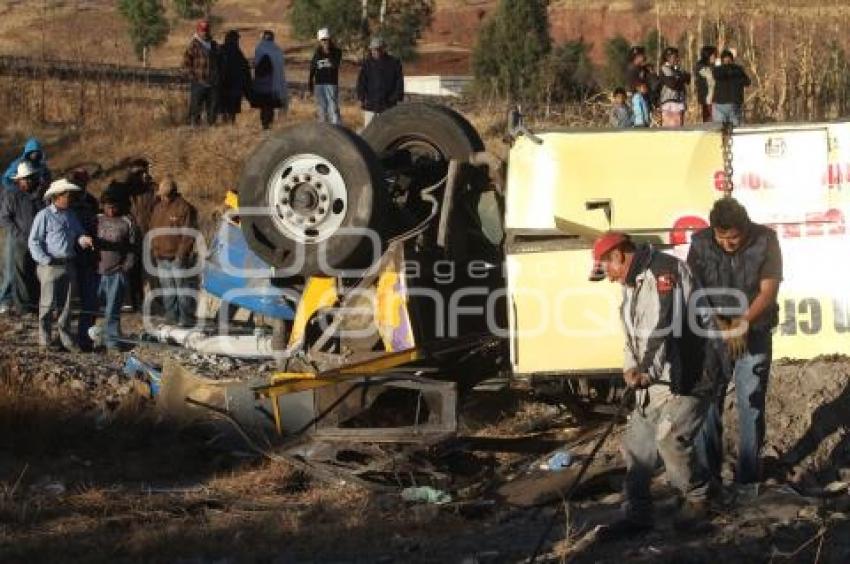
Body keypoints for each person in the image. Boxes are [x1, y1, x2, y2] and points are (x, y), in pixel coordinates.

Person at [590, 231, 712, 535]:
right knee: (636, 446)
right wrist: (631, 368)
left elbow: (665, 324)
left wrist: (646, 370)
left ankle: (698, 499)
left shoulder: (663, 272)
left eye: (607, 267)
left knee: (670, 440)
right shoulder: (631, 284)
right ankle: (637, 514)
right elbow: (632, 337)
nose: (608, 276)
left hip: (688, 375)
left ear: (619, 255)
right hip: (654, 381)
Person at [689, 198, 782, 495]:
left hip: (753, 332)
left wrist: (742, 323)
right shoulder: (701, 243)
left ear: (745, 228)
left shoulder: (766, 240)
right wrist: (717, 323)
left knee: (750, 403)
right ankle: (709, 479)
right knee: (707, 404)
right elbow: (693, 286)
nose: (727, 243)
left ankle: (748, 480)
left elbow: (768, 291)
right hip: (712, 335)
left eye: (734, 238)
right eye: (721, 237)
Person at [28, 179, 94, 351]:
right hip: (50, 265)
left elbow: (78, 234)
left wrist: (84, 239)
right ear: (57, 197)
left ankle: (66, 338)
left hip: (68, 264)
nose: (70, 198)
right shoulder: (43, 216)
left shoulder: (71, 215)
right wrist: (45, 259)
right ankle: (45, 338)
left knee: (67, 305)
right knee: (47, 304)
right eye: (67, 195)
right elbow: (34, 242)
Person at [1, 138, 51, 314]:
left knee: (34, 272)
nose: (34, 155)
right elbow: (5, 217)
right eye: (31, 152)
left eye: (37, 152)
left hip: (35, 238)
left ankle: (33, 305)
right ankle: (7, 301)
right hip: (18, 235)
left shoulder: (42, 169)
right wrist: (19, 234)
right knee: (13, 270)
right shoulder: (17, 167)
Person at [149, 177, 198, 327]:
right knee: (168, 290)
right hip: (161, 257)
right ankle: (171, 318)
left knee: (182, 290)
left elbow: (189, 234)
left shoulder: (184, 208)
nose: (163, 196)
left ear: (173, 192)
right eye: (162, 194)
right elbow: (153, 229)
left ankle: (186, 319)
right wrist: (155, 250)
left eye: (166, 194)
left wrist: (181, 255)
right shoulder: (158, 208)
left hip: (177, 258)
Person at [94, 191, 137, 351]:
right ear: (103, 206)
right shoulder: (96, 220)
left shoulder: (127, 222)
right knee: (94, 308)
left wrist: (125, 267)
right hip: (97, 271)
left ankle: (112, 343)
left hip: (117, 272)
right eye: (108, 206)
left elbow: (133, 248)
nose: (111, 210)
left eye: (114, 206)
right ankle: (93, 339)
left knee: (113, 309)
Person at [69, 169, 99, 351]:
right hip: (68, 257)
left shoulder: (92, 202)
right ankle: (64, 339)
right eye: (75, 181)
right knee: (65, 302)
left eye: (80, 181)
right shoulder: (64, 202)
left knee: (90, 301)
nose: (78, 185)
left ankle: (85, 339)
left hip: (87, 257)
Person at [356, 36, 404, 127]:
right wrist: (361, 97)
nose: (375, 52)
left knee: (388, 130)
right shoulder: (367, 64)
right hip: (370, 104)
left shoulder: (394, 63)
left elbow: (399, 83)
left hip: (388, 105)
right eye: (373, 49)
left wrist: (395, 98)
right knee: (369, 130)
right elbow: (361, 82)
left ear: (383, 48)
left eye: (378, 49)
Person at [182, 19, 220, 127]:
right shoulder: (193, 45)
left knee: (212, 110)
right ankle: (194, 130)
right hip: (199, 82)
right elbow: (185, 64)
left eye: (206, 30)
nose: (205, 32)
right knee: (195, 109)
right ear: (198, 31)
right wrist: (193, 78)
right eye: (202, 30)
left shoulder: (214, 44)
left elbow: (220, 61)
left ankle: (211, 131)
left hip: (213, 83)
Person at [252, 30, 288, 130]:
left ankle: (265, 125)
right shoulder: (278, 49)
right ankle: (268, 125)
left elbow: (256, 65)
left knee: (265, 106)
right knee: (270, 106)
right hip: (275, 84)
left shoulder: (260, 48)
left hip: (264, 83)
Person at [309, 27, 343, 125]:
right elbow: (312, 68)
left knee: (333, 108)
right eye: (322, 40)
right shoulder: (317, 53)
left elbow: (335, 64)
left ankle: (337, 129)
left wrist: (328, 52)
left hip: (331, 83)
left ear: (330, 39)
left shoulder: (337, 52)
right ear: (319, 41)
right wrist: (310, 83)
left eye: (326, 39)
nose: (325, 42)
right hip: (319, 84)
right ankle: (322, 129)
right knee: (321, 108)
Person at [218, 30, 251, 125]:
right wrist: (247, 89)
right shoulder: (237, 53)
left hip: (224, 86)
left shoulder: (221, 50)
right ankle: (229, 127)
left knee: (224, 110)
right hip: (233, 87)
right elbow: (246, 72)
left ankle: (226, 128)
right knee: (230, 111)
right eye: (236, 39)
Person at [712, 49, 751, 126]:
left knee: (719, 129)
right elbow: (747, 82)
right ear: (732, 59)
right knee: (735, 129)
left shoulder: (718, 69)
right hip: (733, 102)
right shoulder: (739, 70)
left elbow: (716, 75)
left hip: (720, 103)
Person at [658, 47, 691, 128]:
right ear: (668, 58)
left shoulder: (676, 69)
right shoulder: (665, 69)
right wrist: (681, 77)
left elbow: (688, 79)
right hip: (670, 103)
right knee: (671, 131)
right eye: (675, 57)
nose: (677, 59)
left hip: (678, 102)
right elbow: (673, 84)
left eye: (677, 56)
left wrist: (681, 77)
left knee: (679, 128)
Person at [695, 46, 718, 123]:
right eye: (714, 55)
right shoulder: (701, 67)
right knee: (710, 122)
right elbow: (713, 80)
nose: (716, 57)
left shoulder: (711, 67)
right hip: (709, 99)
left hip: (714, 99)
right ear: (708, 55)